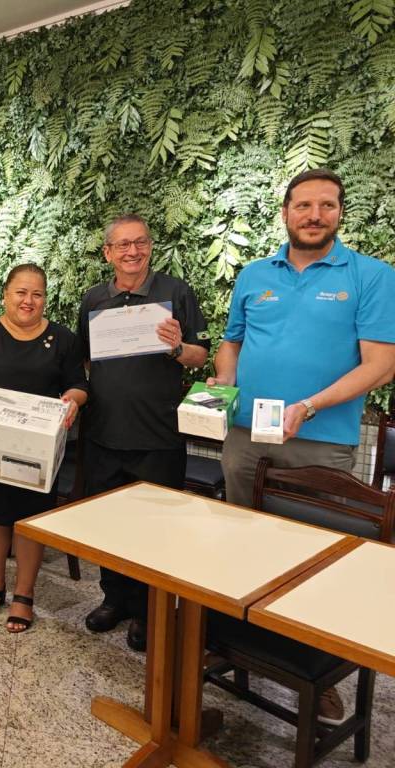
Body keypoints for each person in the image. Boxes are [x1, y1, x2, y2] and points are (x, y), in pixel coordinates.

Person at [210, 168, 395, 723]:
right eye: (303, 205)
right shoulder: (253, 274)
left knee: (313, 560)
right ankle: (234, 643)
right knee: (240, 544)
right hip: (246, 437)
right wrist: (224, 384)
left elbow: (381, 365)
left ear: (340, 212)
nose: (314, 215)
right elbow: (232, 343)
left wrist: (309, 406)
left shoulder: (371, 276)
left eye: (326, 206)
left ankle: (316, 672)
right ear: (286, 212)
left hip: (320, 445)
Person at [77, 214, 209, 652]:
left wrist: (176, 347)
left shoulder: (176, 292)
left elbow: (199, 356)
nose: (132, 251)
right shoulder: (93, 298)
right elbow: (86, 359)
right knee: (109, 525)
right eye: (123, 245)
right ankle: (114, 599)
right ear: (108, 253)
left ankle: (149, 612)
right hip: (103, 434)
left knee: (156, 530)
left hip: (158, 436)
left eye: (140, 243)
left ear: (150, 247)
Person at [0, 263, 88, 633]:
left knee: (29, 519)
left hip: (37, 450)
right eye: (21, 293)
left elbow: (78, 385)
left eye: (37, 294)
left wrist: (73, 400)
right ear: (5, 296)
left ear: (45, 299)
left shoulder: (63, 339)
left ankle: (24, 595)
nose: (29, 300)